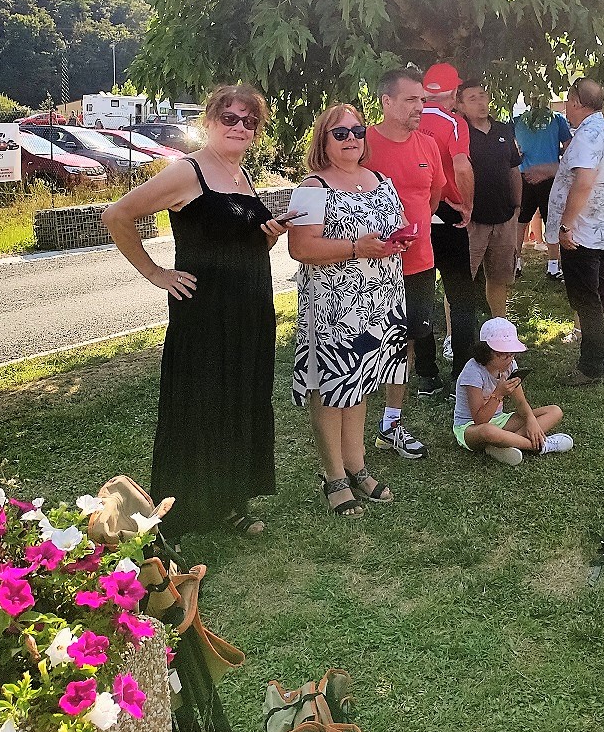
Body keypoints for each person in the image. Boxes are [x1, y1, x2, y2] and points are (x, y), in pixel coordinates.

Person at [102, 84, 287, 545]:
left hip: (250, 309)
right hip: (205, 313)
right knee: (198, 405)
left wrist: (265, 237)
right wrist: (155, 272)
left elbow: (230, 238)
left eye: (250, 121)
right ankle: (174, 518)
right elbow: (117, 215)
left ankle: (229, 501)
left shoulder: (240, 174)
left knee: (240, 400)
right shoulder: (188, 172)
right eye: (230, 118)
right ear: (209, 121)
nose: (241, 127)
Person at [288, 103, 409, 515]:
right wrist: (357, 247)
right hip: (334, 306)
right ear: (323, 139)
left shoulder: (380, 180)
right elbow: (300, 248)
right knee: (332, 388)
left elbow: (391, 226)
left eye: (357, 131)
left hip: (381, 299)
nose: (352, 139)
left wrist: (396, 242)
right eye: (340, 133)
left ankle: (357, 466)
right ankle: (333, 475)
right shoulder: (312, 187)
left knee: (361, 385)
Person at [363, 69, 444, 454]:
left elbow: (433, 195)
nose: (420, 107)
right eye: (411, 100)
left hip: (418, 263)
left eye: (423, 100)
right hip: (369, 265)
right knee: (365, 343)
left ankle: (390, 425)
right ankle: (349, 426)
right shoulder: (362, 144)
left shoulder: (427, 145)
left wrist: (415, 228)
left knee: (406, 341)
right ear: (387, 102)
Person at [547, 78, 604, 385]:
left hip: (583, 233)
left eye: (567, 99)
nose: (566, 106)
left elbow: (584, 182)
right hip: (602, 228)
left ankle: (590, 366)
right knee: (601, 294)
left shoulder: (587, 135)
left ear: (577, 102)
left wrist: (566, 225)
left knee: (586, 299)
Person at [419, 62, 478, 380]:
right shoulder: (454, 123)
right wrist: (467, 204)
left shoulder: (408, 121)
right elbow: (463, 167)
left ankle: (426, 372)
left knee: (421, 293)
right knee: (461, 297)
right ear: (454, 92)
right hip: (450, 213)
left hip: (415, 215)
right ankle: (462, 372)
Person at [452, 318, 573, 465]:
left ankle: (503, 444)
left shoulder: (510, 366)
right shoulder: (473, 371)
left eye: (512, 354)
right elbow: (479, 420)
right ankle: (540, 445)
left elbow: (521, 402)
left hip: (500, 420)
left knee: (555, 411)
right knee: (488, 431)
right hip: (470, 428)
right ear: (486, 351)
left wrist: (531, 420)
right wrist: (498, 394)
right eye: (503, 354)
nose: (509, 359)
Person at [456, 79, 522, 318]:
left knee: (499, 279)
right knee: (462, 280)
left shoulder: (503, 130)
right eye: (472, 98)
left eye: (483, 96)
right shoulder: (458, 132)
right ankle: (455, 335)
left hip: (504, 218)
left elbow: (514, 168)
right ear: (460, 105)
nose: (481, 102)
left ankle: (499, 328)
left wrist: (517, 207)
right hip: (471, 221)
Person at [513, 103, 572, 281]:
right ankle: (552, 267)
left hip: (528, 175)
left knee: (522, 221)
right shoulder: (556, 118)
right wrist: (555, 153)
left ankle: (516, 264)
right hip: (546, 176)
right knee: (550, 220)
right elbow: (569, 146)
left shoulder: (519, 120)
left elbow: (509, 146)